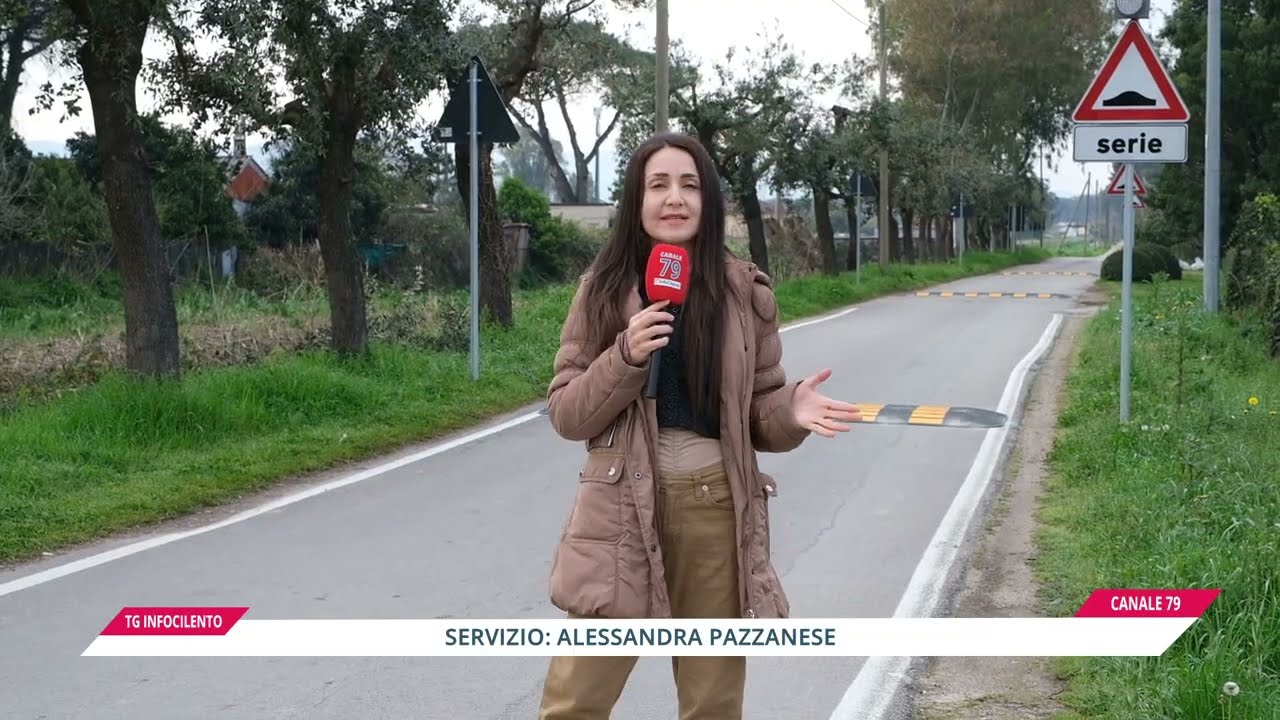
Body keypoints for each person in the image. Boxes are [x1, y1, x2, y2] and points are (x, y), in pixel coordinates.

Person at [537, 132, 862, 719]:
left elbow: (759, 410)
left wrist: (790, 410)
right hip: (617, 513)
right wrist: (625, 356)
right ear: (637, 200)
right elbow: (567, 411)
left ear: (708, 201)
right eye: (658, 185)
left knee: (712, 700)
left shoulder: (745, 293)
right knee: (574, 700)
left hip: (716, 507)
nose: (674, 198)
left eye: (689, 185)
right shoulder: (603, 291)